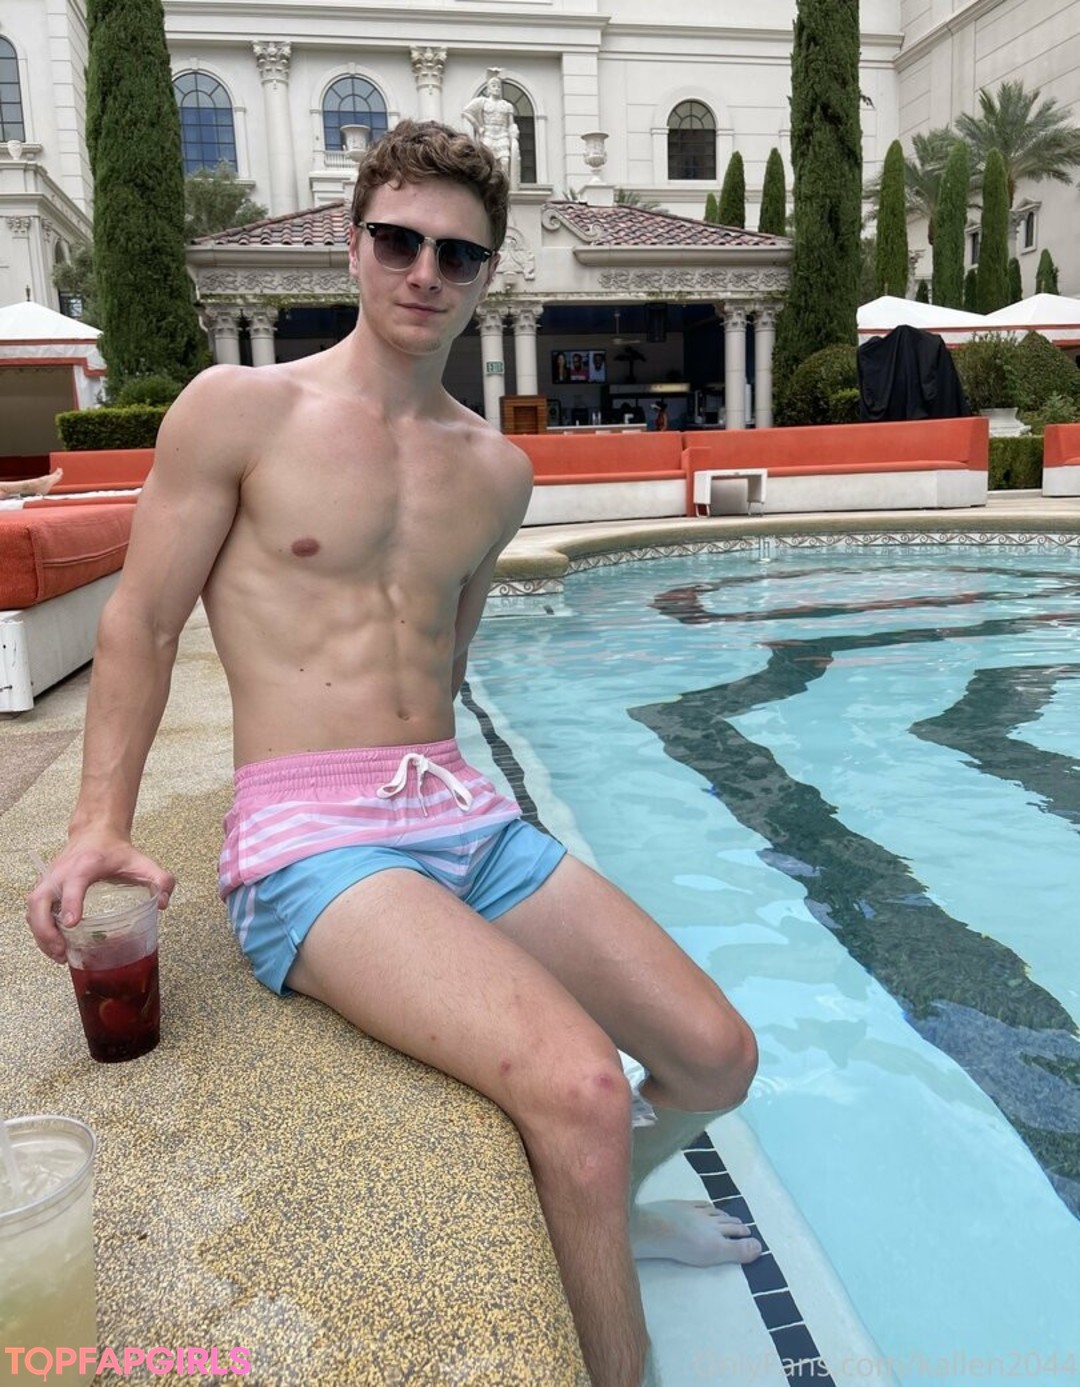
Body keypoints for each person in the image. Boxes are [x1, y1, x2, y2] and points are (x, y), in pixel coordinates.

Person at [26, 120, 758, 1387]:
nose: (427, 271)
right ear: (352, 244)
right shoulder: (241, 410)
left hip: (457, 812)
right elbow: (139, 624)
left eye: (458, 254)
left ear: (489, 274)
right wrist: (99, 823)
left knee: (716, 1057)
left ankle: (610, 1206)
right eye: (400, 240)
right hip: (307, 836)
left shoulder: (498, 470)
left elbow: (444, 664)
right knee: (583, 1085)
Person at [462, 69, 520, 189]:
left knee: (504, 162)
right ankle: (489, 187)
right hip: (488, 134)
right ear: (488, 89)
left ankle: (503, 187)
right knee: (488, 161)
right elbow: (466, 112)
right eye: (494, 86)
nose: (496, 88)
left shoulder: (507, 105)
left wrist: (514, 133)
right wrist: (478, 127)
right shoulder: (483, 102)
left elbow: (511, 124)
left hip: (502, 135)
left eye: (498, 86)